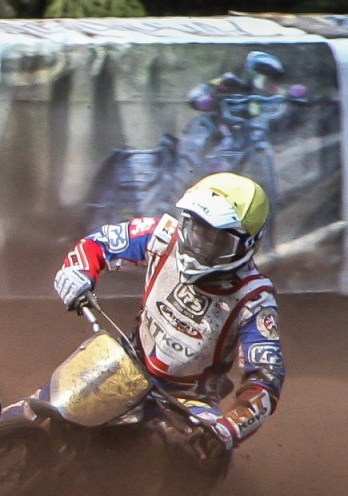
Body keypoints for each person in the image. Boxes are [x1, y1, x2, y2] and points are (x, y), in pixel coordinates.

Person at [52, 172, 282, 460]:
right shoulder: (163, 234)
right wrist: (78, 272)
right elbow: (99, 244)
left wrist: (230, 428)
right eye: (196, 230)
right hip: (127, 362)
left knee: (199, 458)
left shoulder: (255, 299)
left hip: (187, 400)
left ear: (247, 245)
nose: (200, 246)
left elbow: (265, 377)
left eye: (216, 240)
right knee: (49, 408)